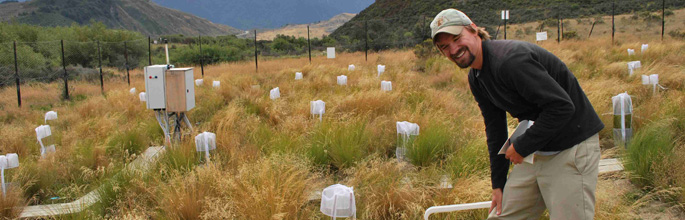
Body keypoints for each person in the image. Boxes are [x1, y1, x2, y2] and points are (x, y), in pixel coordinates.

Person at [429, 9, 604, 220]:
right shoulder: (476, 77)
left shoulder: (510, 60)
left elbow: (562, 107)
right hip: (539, 148)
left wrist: (521, 146)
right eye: (444, 47)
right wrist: (498, 185)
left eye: (457, 39)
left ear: (473, 29)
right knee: (501, 215)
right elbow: (495, 129)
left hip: (572, 147)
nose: (453, 49)